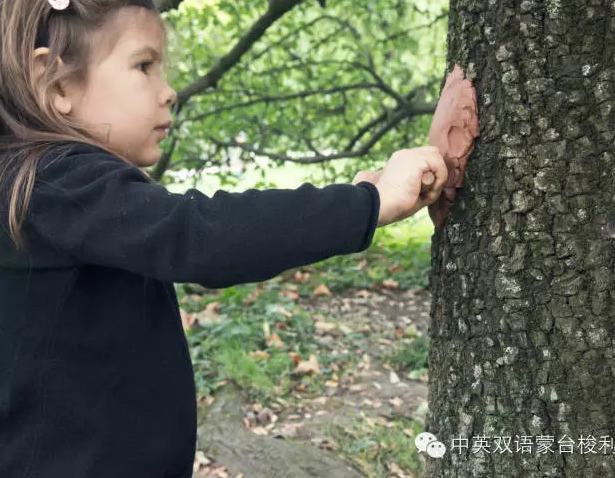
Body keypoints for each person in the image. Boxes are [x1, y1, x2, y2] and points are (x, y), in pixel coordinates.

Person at [0, 0, 448, 476]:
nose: (168, 91)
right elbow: (202, 236)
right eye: (144, 66)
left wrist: (354, 197)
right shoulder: (54, 182)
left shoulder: (51, 188)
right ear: (58, 82)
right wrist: (368, 201)